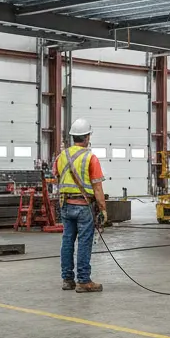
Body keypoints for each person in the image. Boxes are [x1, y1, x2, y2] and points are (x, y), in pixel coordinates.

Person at [55, 117, 107, 293]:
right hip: (84, 206)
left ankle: (67, 279)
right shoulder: (90, 158)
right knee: (84, 243)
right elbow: (97, 188)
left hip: (65, 205)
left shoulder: (61, 156)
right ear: (86, 137)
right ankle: (83, 281)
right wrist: (103, 209)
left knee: (67, 241)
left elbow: (57, 177)